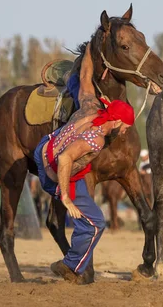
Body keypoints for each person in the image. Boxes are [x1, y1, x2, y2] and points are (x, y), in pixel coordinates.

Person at [34, 43, 135, 284]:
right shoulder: (96, 140)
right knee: (96, 222)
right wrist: (66, 197)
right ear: (118, 121)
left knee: (92, 219)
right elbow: (66, 158)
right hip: (55, 171)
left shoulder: (90, 106)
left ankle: (71, 263)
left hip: (45, 147)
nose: (126, 132)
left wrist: (92, 47)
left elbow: (86, 77)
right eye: (126, 127)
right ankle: (68, 265)